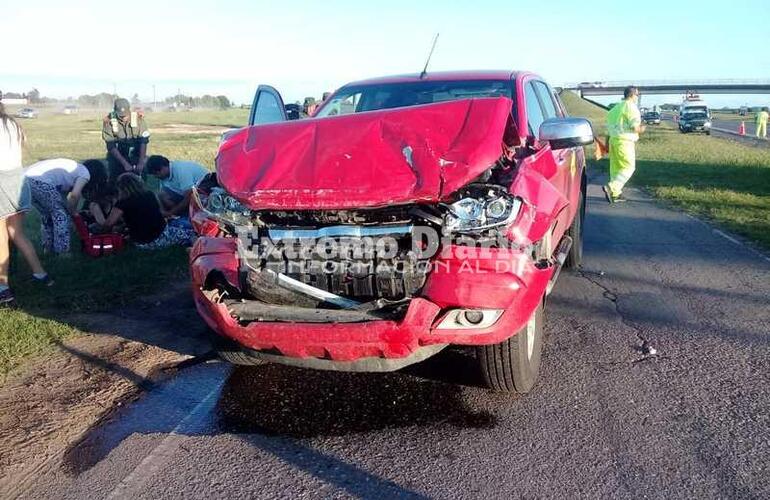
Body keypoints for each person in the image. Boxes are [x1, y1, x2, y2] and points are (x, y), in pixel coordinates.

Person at [0, 103, 52, 304]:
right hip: (18, 181)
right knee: (17, 234)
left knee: (1, 238)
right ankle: (41, 274)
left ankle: (3, 287)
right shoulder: (13, 124)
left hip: (2, 181)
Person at [25, 158, 107, 255]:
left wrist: (69, 208)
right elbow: (74, 195)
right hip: (39, 180)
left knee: (47, 215)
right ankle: (62, 252)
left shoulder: (71, 174)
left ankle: (48, 249)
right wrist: (73, 212)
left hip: (25, 179)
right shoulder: (85, 173)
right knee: (61, 215)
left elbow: (62, 199)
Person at [102, 173, 195, 250]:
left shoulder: (122, 203)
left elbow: (108, 224)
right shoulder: (149, 195)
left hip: (140, 242)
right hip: (159, 236)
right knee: (192, 232)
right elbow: (160, 213)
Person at [603, 86, 645, 203]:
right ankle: (612, 187)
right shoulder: (631, 107)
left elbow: (608, 130)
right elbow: (635, 127)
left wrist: (606, 145)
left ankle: (615, 195)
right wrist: (642, 129)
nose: (638, 97)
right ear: (632, 95)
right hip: (625, 142)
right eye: (637, 95)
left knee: (615, 169)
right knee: (628, 167)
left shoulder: (615, 109)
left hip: (613, 141)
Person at [103, 98, 150, 179]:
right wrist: (124, 163)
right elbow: (110, 145)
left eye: (125, 114)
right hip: (118, 155)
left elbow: (143, 141)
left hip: (136, 154)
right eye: (120, 115)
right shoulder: (109, 121)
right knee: (115, 181)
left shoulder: (139, 119)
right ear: (115, 111)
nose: (123, 117)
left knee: (139, 180)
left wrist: (141, 162)